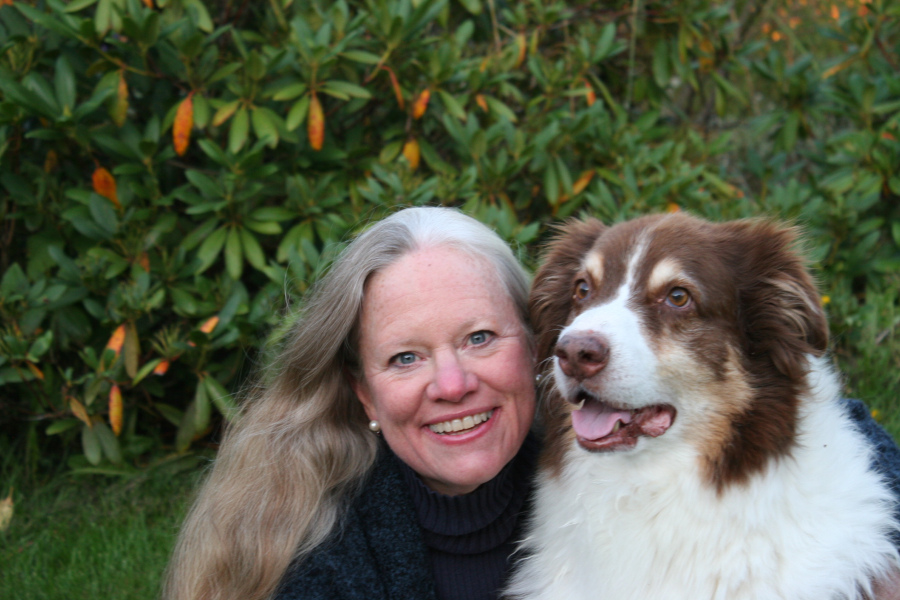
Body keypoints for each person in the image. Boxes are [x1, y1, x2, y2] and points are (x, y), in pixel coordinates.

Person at [163, 206, 900, 600]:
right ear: (363, 396)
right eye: (406, 357)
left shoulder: (562, 428)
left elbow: (833, 429)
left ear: (526, 342)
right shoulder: (329, 566)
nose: (452, 386)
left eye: (480, 337)